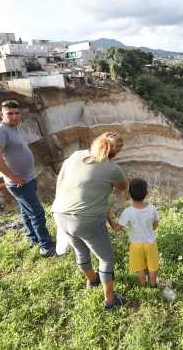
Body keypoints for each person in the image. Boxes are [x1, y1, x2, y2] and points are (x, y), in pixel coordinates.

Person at [51, 132, 128, 310]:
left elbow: (60, 181)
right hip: (86, 220)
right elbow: (123, 187)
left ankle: (92, 280)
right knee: (106, 258)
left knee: (80, 250)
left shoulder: (77, 155)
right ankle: (110, 300)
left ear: (95, 143)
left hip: (60, 213)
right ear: (115, 153)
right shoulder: (112, 168)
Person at [0, 100, 54, 257]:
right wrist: (12, 177)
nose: (14, 116)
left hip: (27, 178)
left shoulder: (13, 128)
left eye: (17, 113)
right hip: (19, 182)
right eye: (9, 113)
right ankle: (46, 246)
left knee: (26, 212)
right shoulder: (0, 130)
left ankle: (33, 238)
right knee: (37, 213)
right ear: (1, 114)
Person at [113, 178, 159, 286]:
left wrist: (109, 218)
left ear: (129, 194)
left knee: (140, 268)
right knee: (152, 267)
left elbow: (117, 228)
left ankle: (143, 286)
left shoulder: (128, 212)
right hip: (150, 243)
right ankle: (153, 285)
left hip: (136, 245)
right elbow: (155, 226)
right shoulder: (152, 209)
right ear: (147, 193)